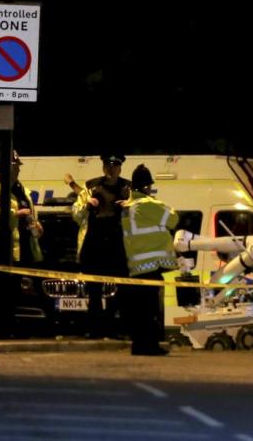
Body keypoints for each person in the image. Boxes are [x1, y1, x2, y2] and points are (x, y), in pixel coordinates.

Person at [0, 150, 43, 339]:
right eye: (14, 166)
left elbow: (30, 215)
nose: (17, 170)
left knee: (16, 297)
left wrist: (36, 225)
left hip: (24, 254)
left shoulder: (23, 191)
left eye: (18, 166)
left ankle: (13, 333)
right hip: (1, 254)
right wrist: (16, 214)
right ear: (4, 167)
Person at [120, 164, 179, 356]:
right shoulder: (146, 204)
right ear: (147, 186)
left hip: (136, 265)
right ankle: (150, 345)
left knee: (140, 310)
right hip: (151, 264)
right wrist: (164, 206)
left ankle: (139, 345)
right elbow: (173, 219)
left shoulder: (127, 206)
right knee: (150, 308)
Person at [71, 153, 131, 338]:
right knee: (94, 291)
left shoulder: (128, 188)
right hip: (94, 245)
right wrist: (87, 206)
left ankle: (114, 327)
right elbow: (76, 215)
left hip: (118, 245)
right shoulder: (91, 186)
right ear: (103, 166)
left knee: (122, 289)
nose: (111, 168)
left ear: (120, 167)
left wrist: (128, 208)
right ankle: (95, 329)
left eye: (115, 165)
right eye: (108, 165)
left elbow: (140, 215)